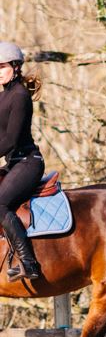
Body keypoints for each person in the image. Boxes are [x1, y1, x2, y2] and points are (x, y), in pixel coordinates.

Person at [0, 41, 44, 281]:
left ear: (16, 67)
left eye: (1, 67)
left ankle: (29, 262)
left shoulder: (19, 97)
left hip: (28, 162)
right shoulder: (2, 96)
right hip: (13, 163)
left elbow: (10, 140)